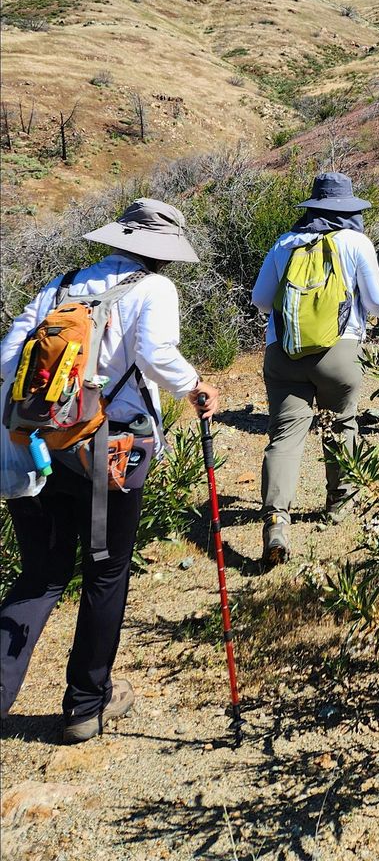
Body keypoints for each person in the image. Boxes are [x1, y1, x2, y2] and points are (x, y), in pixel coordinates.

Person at [0, 199, 220, 742]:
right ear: (162, 250)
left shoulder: (62, 284)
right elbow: (155, 353)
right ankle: (84, 704)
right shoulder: (155, 289)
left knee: (43, 574)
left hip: (40, 447)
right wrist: (194, 387)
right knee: (106, 571)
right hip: (110, 452)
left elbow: (8, 357)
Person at [252, 172, 379, 565]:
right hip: (340, 351)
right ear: (349, 209)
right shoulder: (354, 242)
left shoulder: (284, 243)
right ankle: (338, 501)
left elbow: (261, 300)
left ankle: (277, 521)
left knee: (283, 437)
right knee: (341, 422)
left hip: (283, 352)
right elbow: (378, 300)